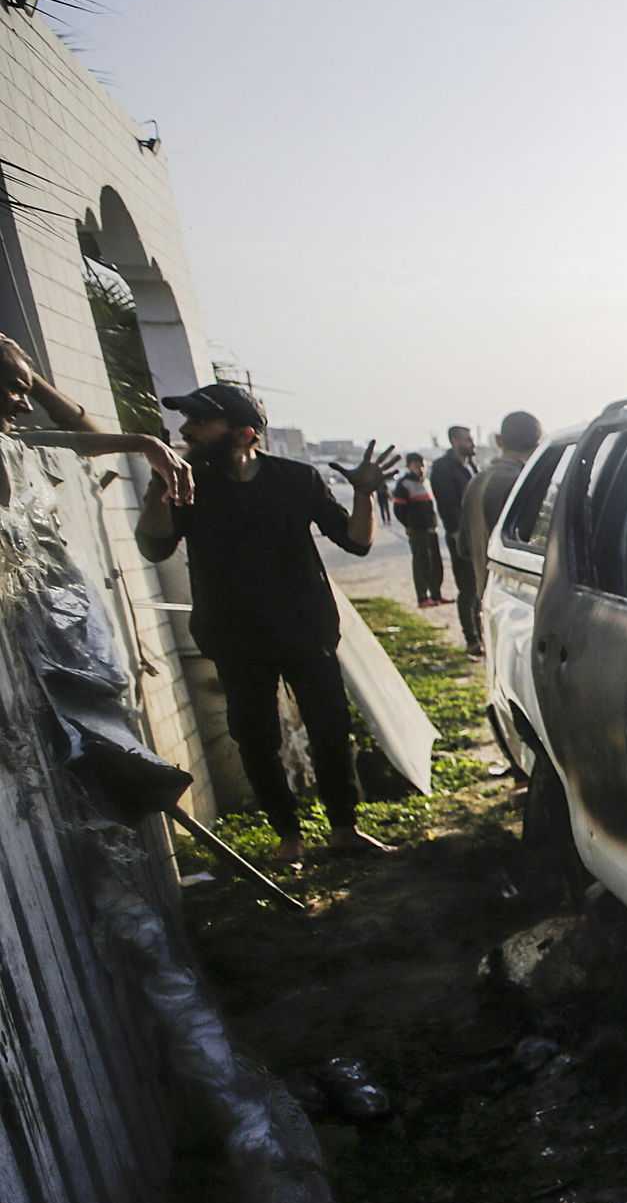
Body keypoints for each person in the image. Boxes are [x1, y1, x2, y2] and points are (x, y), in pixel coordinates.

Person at [134, 382, 398, 864]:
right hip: (233, 636)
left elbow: (356, 542)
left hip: (306, 629)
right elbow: (154, 546)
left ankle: (344, 829)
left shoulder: (296, 479)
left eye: (200, 422)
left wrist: (363, 494)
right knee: (256, 741)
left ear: (244, 433)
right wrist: (159, 487)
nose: (186, 430)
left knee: (330, 731)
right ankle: (289, 839)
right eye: (186, 420)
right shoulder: (191, 484)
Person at [0, 332, 192, 503]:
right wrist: (143, 443)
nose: (27, 408)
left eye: (27, 393)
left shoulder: (12, 442)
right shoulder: (9, 444)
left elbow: (87, 434)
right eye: (15, 389)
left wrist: (22, 369)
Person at [454, 411, 543, 654]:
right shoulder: (523, 484)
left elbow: (463, 547)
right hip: (521, 611)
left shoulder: (476, 481)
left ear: (498, 441)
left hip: (489, 599)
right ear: (539, 445)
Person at [430, 423, 481, 655]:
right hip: (461, 538)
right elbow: (448, 506)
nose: (472, 444)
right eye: (467, 440)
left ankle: (481, 634)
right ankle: (472, 640)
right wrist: (460, 535)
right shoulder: (443, 468)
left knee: (480, 589)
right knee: (468, 590)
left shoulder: (471, 466)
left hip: (478, 536)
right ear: (455, 442)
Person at [389, 451, 445, 606]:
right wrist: (409, 525)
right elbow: (398, 509)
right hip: (417, 530)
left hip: (431, 528)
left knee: (435, 563)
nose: (420, 469)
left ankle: (436, 595)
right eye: (416, 466)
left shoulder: (426, 482)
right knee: (421, 563)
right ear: (408, 467)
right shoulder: (404, 484)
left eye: (422, 465)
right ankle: (422, 597)